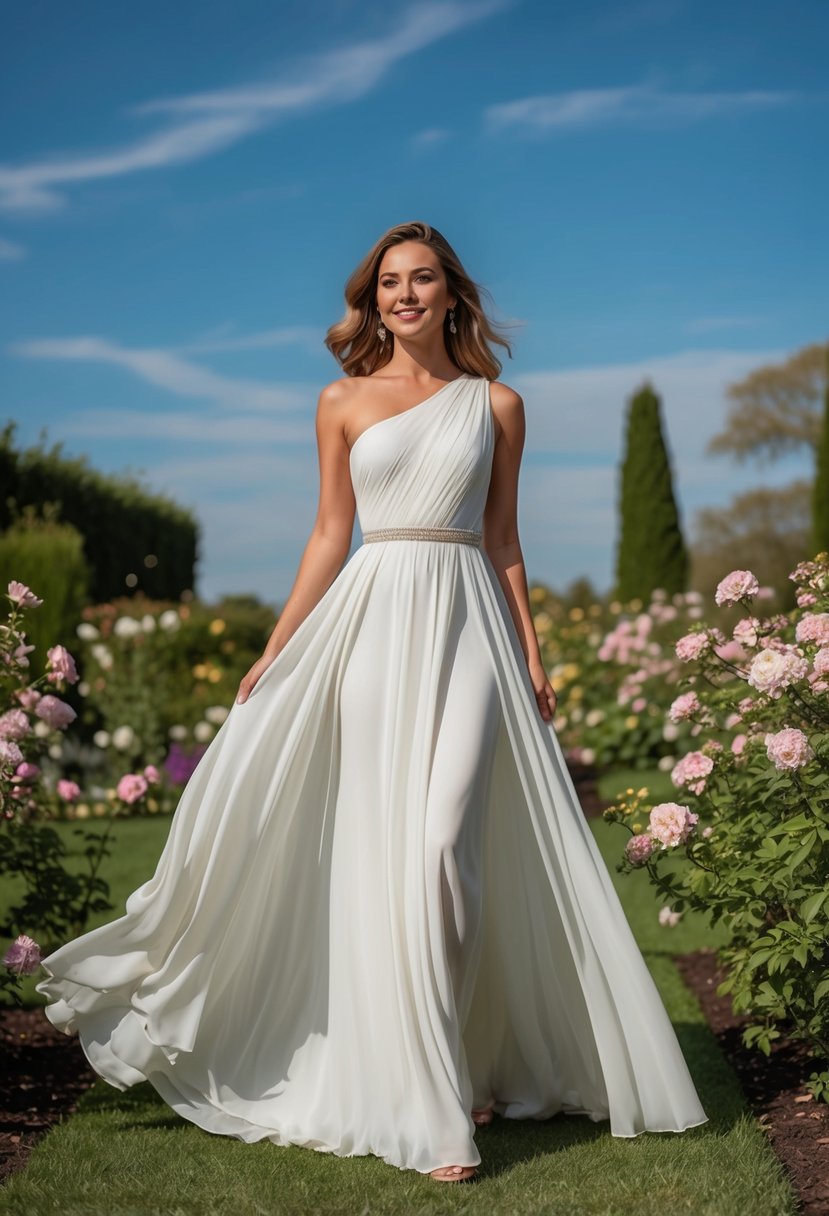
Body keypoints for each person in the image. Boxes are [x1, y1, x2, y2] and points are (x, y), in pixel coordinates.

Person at [36, 220, 708, 1186]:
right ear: (373, 299)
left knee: (445, 848)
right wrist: (275, 646)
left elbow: (504, 538)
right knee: (388, 855)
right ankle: (436, 1097)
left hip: (469, 620)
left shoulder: (498, 405)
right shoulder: (341, 401)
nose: (403, 295)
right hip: (370, 624)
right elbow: (326, 535)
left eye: (421, 279)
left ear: (451, 294)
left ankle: (458, 1055)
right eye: (388, 282)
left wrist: (531, 649)